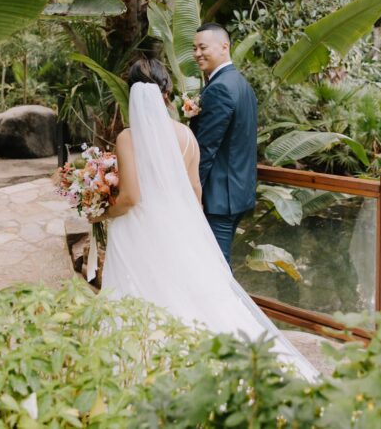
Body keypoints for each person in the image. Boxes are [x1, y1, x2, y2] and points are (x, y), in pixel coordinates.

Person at [99, 58, 318, 381]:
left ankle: (142, 364)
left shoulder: (127, 139)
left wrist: (105, 213)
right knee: (190, 294)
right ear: (167, 92)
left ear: (132, 92)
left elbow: (131, 197)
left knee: (140, 292)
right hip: (179, 228)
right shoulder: (187, 136)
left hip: (138, 229)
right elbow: (194, 191)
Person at [190, 23, 258, 265]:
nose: (197, 53)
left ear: (224, 46)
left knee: (216, 267)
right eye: (194, 48)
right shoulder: (241, 84)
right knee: (216, 264)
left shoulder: (219, 88)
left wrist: (190, 193)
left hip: (218, 198)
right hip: (238, 192)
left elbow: (205, 149)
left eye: (203, 47)